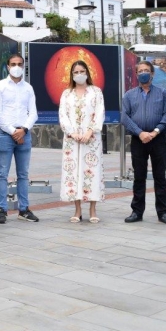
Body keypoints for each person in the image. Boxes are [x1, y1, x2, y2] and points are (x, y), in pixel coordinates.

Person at [121, 60, 166, 225]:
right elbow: (124, 117)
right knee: (139, 177)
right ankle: (137, 212)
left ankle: (163, 213)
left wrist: (155, 132)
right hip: (138, 140)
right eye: (140, 71)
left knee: (160, 177)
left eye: (146, 70)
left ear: (152, 74)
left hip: (158, 139)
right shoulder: (129, 95)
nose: (143, 73)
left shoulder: (163, 93)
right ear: (136, 75)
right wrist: (140, 133)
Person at [0, 53, 39, 224]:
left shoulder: (28, 88)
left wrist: (24, 130)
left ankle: (24, 209)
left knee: (23, 174)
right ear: (8, 66)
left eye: (19, 63)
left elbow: (33, 113)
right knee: (2, 173)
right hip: (6, 134)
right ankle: (2, 210)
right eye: (13, 64)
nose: (16, 67)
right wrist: (13, 131)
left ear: (23, 66)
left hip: (24, 134)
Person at [58, 60, 105, 223]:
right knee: (74, 172)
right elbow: (62, 114)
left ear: (87, 72)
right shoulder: (66, 94)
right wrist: (72, 132)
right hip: (72, 141)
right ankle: (77, 210)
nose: (79, 75)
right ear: (72, 75)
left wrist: (90, 131)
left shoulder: (96, 92)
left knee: (91, 171)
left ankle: (93, 209)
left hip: (91, 139)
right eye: (76, 72)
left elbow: (99, 113)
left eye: (82, 71)